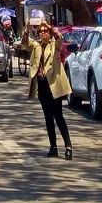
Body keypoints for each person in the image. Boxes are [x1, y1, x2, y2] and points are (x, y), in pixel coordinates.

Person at [28, 22, 73, 160]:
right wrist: (26, 31)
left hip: (53, 85)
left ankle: (68, 146)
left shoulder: (55, 45)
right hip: (42, 86)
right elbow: (25, 43)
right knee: (48, 117)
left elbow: (60, 38)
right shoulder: (37, 46)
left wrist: (50, 27)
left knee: (58, 115)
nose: (43, 33)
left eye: (45, 31)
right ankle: (53, 146)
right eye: (40, 31)